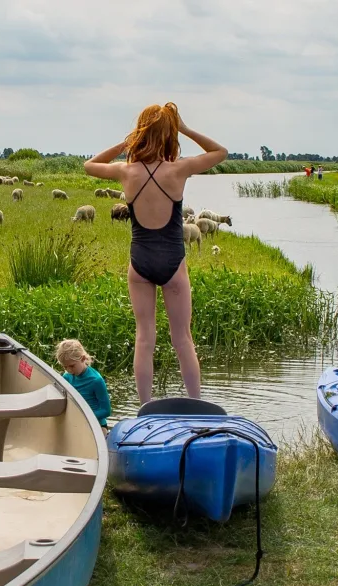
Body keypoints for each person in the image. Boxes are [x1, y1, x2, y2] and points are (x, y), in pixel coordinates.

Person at [83, 103, 228, 404]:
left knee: (144, 338)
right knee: (182, 339)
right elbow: (219, 153)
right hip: (174, 262)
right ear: (169, 136)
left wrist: (127, 142)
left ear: (142, 134)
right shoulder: (179, 169)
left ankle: (145, 407)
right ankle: (196, 404)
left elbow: (90, 165)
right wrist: (185, 129)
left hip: (141, 263)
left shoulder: (126, 171)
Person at [56, 339, 111, 429]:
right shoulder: (67, 377)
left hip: (96, 424)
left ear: (83, 359)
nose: (69, 370)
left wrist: (84, 417)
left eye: (72, 366)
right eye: (65, 367)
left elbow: (106, 410)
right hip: (76, 423)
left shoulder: (96, 380)